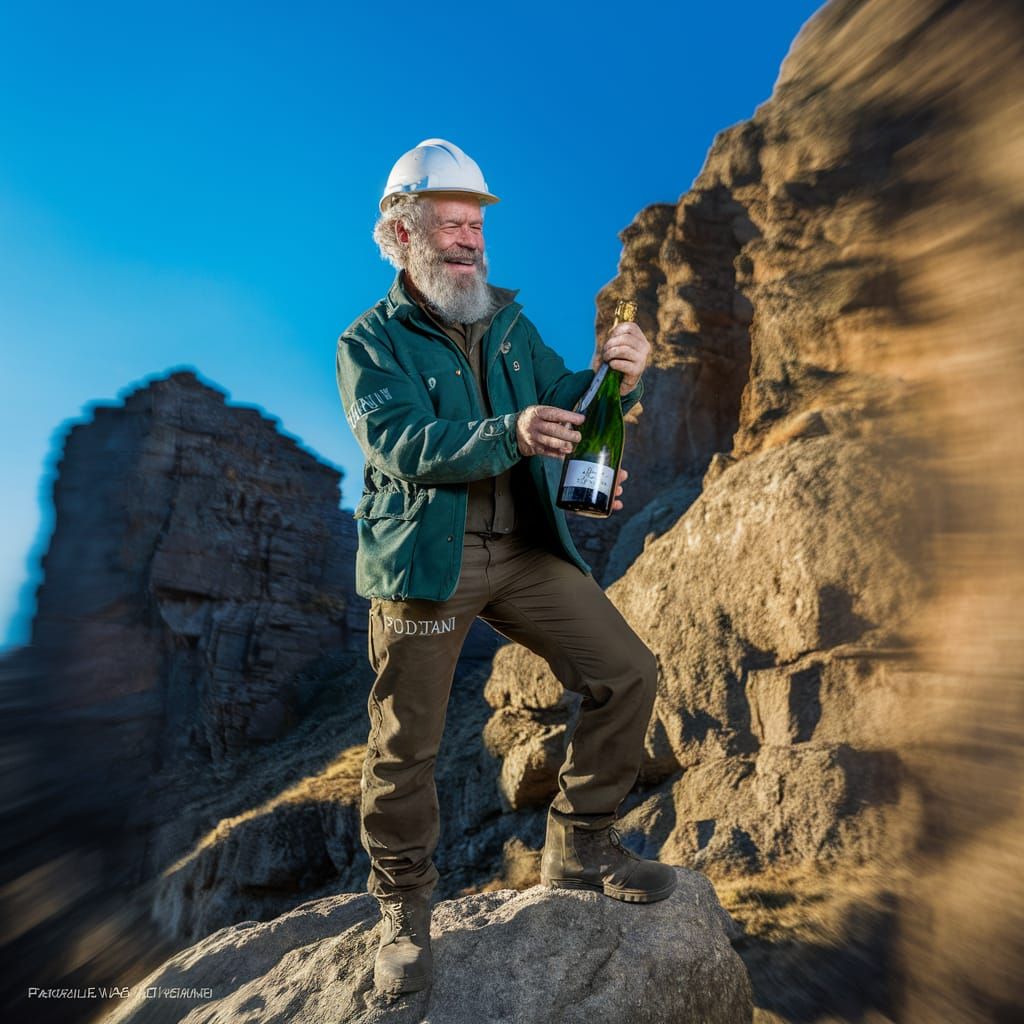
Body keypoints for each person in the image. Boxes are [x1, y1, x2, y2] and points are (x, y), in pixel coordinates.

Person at [335, 138, 675, 997]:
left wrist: (617, 378)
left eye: (475, 223)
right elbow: (404, 444)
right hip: (426, 561)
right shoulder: (369, 344)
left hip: (523, 547)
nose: (468, 240)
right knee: (404, 742)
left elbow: (571, 396)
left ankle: (580, 846)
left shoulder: (508, 322)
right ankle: (404, 910)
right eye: (449, 223)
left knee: (627, 671)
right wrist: (511, 434)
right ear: (400, 231)